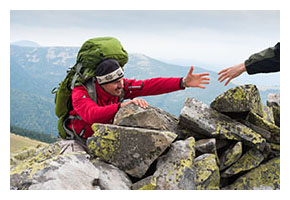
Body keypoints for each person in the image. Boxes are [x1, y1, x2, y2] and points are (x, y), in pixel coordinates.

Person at [67, 58, 210, 139]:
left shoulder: (122, 86)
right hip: (80, 141)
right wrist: (122, 106)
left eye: (122, 79)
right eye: (116, 83)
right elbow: (91, 115)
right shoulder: (81, 92)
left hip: (104, 137)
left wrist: (182, 82)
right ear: (102, 83)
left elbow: (149, 85)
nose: (121, 85)